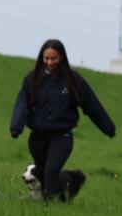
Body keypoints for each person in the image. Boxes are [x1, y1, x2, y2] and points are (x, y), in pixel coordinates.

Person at [10, 39, 115, 201]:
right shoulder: (32, 79)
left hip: (62, 137)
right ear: (41, 58)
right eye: (46, 59)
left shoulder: (73, 80)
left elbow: (92, 105)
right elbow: (21, 102)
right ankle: (64, 191)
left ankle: (48, 206)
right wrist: (16, 127)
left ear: (62, 58)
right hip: (37, 137)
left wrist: (108, 128)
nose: (50, 62)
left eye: (54, 59)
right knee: (44, 174)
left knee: (51, 170)